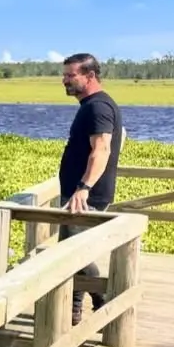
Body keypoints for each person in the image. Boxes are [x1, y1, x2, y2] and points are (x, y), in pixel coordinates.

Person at [57, 52, 124, 325]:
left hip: (86, 196)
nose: (65, 81)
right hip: (79, 193)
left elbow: (102, 148)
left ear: (90, 76)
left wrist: (84, 187)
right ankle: (74, 313)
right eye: (64, 75)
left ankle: (103, 302)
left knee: (76, 254)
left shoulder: (98, 107)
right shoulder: (93, 106)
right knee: (72, 253)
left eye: (71, 75)